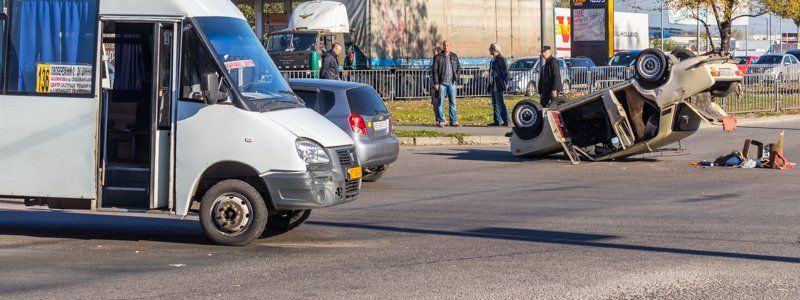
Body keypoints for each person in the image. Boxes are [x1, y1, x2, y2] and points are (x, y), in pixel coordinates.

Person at [432, 40, 461, 127]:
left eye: (447, 45)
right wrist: (436, 83)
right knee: (441, 102)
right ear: (443, 46)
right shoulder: (438, 57)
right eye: (444, 45)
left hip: (452, 83)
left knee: (452, 102)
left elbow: (458, 68)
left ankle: (453, 121)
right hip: (442, 84)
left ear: (450, 46)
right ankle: (441, 121)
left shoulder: (454, 56)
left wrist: (457, 77)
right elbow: (435, 71)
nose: (446, 47)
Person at [487, 43, 509, 126]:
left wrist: (504, 82)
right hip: (493, 84)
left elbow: (505, 72)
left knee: (500, 103)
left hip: (498, 84)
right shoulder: (494, 59)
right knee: (495, 103)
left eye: (490, 49)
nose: (489, 50)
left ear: (494, 50)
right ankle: (497, 120)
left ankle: (506, 120)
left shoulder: (501, 59)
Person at [429, 46, 442, 123]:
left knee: (438, 103)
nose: (434, 55)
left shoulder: (439, 62)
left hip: (437, 86)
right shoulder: (434, 61)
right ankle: (437, 119)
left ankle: (440, 119)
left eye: (435, 53)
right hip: (433, 86)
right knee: (434, 103)